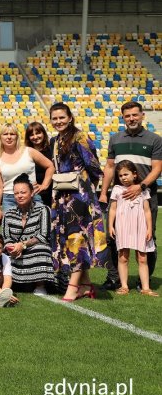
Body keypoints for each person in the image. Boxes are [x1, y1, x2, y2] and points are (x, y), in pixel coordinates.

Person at [98, 100, 162, 290]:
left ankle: (145, 281)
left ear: (142, 115)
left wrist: (140, 186)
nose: (132, 118)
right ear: (123, 118)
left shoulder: (154, 139)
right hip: (120, 197)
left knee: (148, 238)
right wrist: (103, 192)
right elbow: (110, 167)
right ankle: (115, 279)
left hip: (145, 195)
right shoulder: (115, 138)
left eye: (135, 114)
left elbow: (157, 168)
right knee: (113, 237)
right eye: (128, 116)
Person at [48, 102, 108, 301]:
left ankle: (73, 287)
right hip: (62, 197)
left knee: (77, 240)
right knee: (67, 240)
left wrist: (86, 188)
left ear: (70, 117)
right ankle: (86, 284)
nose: (58, 121)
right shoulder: (55, 140)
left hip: (79, 197)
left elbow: (94, 166)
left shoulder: (80, 136)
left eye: (62, 117)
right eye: (55, 118)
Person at [108, 161, 157, 296]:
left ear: (134, 174)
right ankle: (124, 286)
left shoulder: (143, 191)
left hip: (139, 226)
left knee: (142, 258)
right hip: (122, 226)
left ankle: (145, 288)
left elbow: (147, 211)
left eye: (126, 174)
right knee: (123, 257)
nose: (123, 177)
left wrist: (149, 229)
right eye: (120, 175)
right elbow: (112, 210)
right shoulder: (117, 190)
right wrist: (110, 225)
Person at [1, 174, 54, 294]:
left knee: (42, 248)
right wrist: (12, 247)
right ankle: (7, 286)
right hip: (15, 251)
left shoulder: (43, 210)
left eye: (23, 192)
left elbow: (43, 236)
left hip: (33, 248)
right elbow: (6, 237)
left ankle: (40, 286)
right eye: (16, 193)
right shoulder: (8, 214)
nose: (19, 196)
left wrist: (23, 245)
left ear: (31, 193)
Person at [0, 124, 55, 224]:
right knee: (13, 233)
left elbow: (50, 166)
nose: (9, 137)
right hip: (9, 199)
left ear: (17, 136)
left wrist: (44, 185)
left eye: (12, 134)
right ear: (0, 137)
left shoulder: (29, 151)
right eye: (5, 134)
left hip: (33, 197)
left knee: (39, 230)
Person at [25, 122, 54, 207]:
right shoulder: (26, 152)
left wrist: (44, 185)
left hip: (50, 192)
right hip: (34, 194)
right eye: (31, 135)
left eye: (38, 133)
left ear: (43, 133)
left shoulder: (52, 150)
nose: (35, 137)